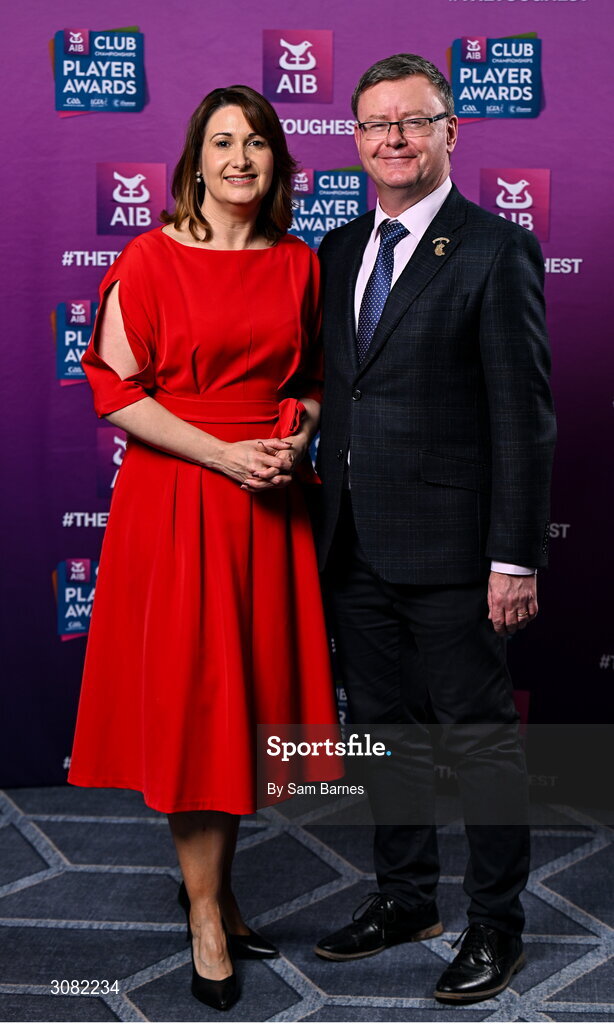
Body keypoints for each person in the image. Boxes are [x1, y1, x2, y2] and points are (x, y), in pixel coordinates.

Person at [68, 84, 340, 1012]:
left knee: (244, 701)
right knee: (193, 705)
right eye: (222, 142)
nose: (240, 159)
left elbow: (308, 381)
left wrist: (294, 442)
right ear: (194, 161)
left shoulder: (302, 263)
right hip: (180, 496)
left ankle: (216, 889)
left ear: (277, 161)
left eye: (257, 142)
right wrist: (224, 452)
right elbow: (114, 390)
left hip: (266, 499)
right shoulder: (148, 257)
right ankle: (207, 919)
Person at [313, 54, 556, 1004]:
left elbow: (525, 417)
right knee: (384, 735)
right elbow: (347, 389)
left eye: (412, 122)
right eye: (374, 125)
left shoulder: (497, 250)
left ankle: (498, 925)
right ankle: (405, 898)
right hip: (354, 543)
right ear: (357, 141)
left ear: (452, 132)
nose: (393, 141)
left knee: (482, 742)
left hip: (457, 554)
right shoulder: (337, 250)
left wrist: (514, 558)